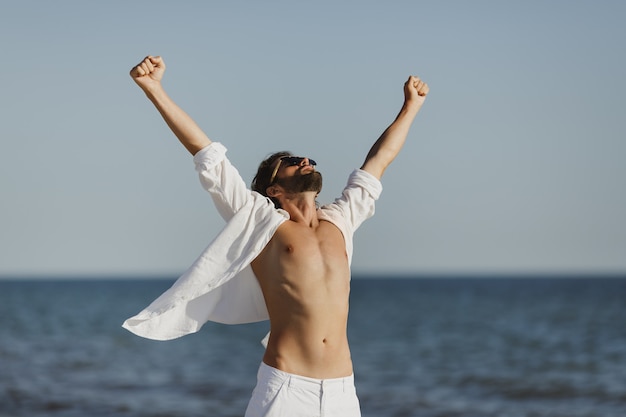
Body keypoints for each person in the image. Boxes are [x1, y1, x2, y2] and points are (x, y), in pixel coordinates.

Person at [124, 55, 429, 417]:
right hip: (287, 388)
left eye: (307, 158)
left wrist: (410, 107)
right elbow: (206, 154)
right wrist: (154, 89)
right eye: (292, 160)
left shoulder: (342, 219)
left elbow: (379, 161)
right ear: (273, 188)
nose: (305, 161)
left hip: (343, 391)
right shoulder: (259, 220)